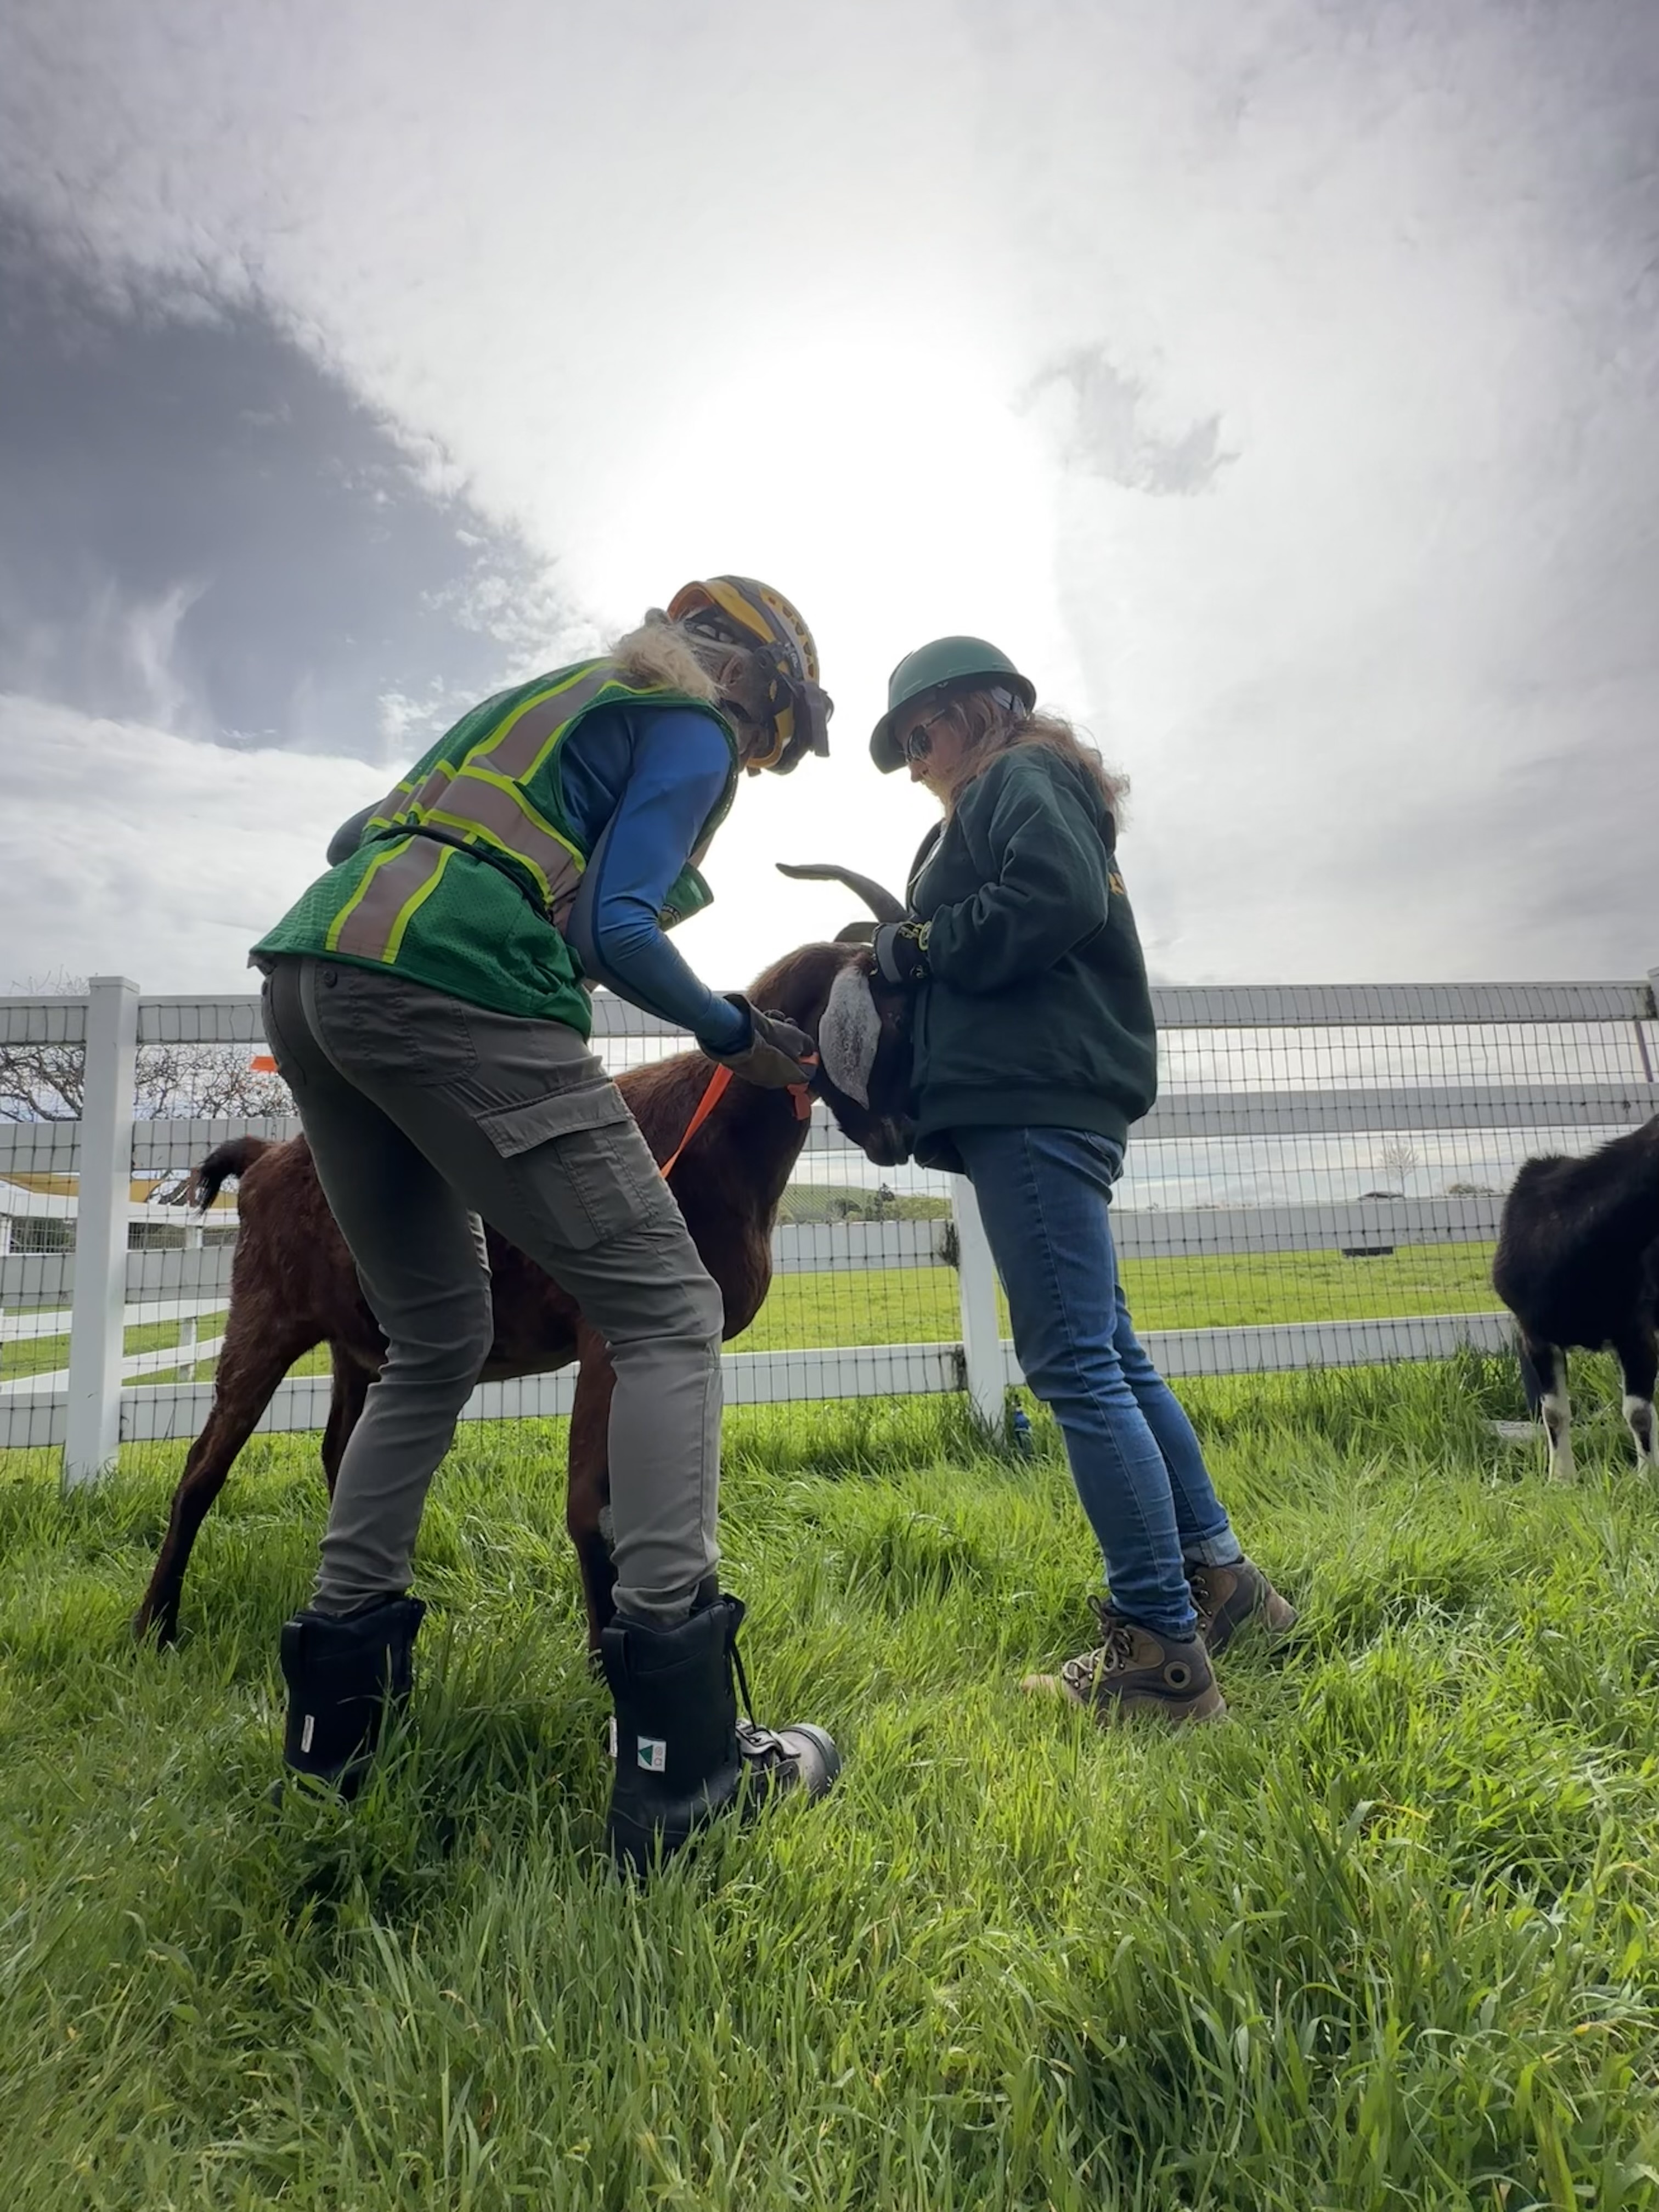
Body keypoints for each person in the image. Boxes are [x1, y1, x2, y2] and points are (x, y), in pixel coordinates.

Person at [251, 576, 841, 1869]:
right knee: (671, 1308)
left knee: (433, 1338)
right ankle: (683, 1766)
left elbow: (355, 834)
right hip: (453, 981)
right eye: (770, 735)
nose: (751, 758)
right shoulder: (688, 724)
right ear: (751, 676)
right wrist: (735, 1032)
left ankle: (335, 1735)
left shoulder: (540, 704)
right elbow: (619, 927)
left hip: (310, 979)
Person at [866, 638, 1295, 1726]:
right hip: (1053, 1092)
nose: (915, 761)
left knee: (1073, 1366)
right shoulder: (1026, 784)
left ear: (981, 708)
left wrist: (925, 943)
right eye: (904, 747)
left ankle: (1159, 1656)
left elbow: (1051, 898)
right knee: (1109, 1352)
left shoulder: (1015, 776)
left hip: (1030, 1094)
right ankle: (1224, 1584)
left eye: (921, 733)